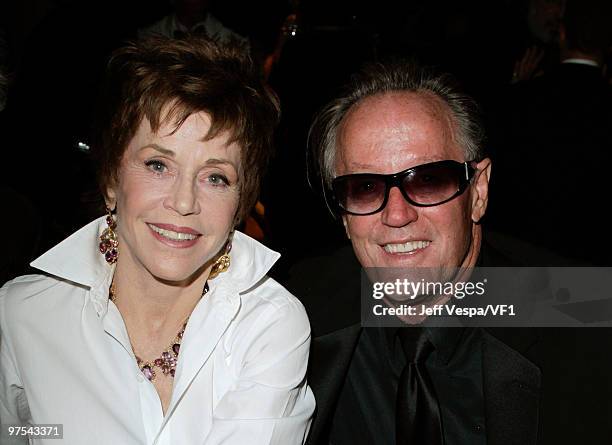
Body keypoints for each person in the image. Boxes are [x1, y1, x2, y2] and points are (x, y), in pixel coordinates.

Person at [0, 36, 314, 444]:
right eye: (158, 165)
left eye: (216, 177)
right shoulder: (22, 315)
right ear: (112, 179)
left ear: (241, 204)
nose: (184, 202)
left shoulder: (268, 326)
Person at [286, 60, 612, 444]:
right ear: (343, 214)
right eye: (366, 188)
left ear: (478, 192)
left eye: (428, 180)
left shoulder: (587, 320)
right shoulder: (295, 308)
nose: (397, 215)